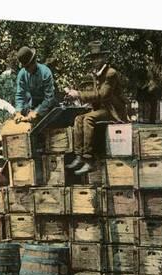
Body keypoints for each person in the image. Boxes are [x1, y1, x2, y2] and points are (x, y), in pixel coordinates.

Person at [65, 41, 129, 175]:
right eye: (93, 58)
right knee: (78, 119)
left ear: (105, 58)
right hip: (103, 110)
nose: (95, 61)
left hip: (114, 111)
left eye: (98, 57)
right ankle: (79, 156)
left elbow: (103, 95)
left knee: (88, 119)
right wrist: (75, 96)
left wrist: (79, 94)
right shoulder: (96, 74)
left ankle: (89, 160)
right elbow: (95, 97)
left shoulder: (110, 73)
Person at [14, 46, 57, 123]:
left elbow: (49, 98)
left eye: (28, 66)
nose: (26, 69)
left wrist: (37, 112)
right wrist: (18, 112)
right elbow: (20, 95)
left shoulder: (45, 73)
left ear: (34, 61)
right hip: (33, 105)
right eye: (25, 67)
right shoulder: (22, 74)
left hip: (47, 107)